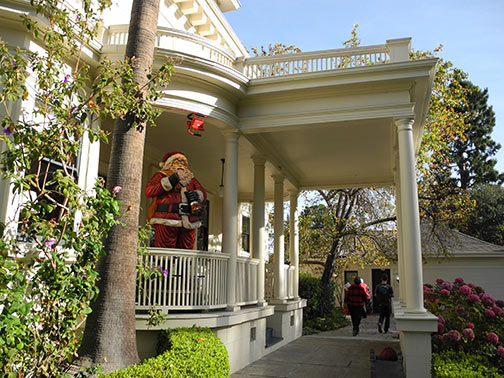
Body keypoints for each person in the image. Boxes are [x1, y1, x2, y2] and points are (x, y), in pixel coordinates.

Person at [145, 152, 206, 249]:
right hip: (167, 218)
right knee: (165, 251)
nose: (181, 165)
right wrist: (171, 180)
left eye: (183, 162)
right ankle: (163, 264)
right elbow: (149, 191)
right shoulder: (161, 176)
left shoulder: (191, 179)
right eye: (177, 161)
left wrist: (196, 194)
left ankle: (185, 264)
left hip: (189, 221)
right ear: (169, 164)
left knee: (185, 253)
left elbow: (202, 194)